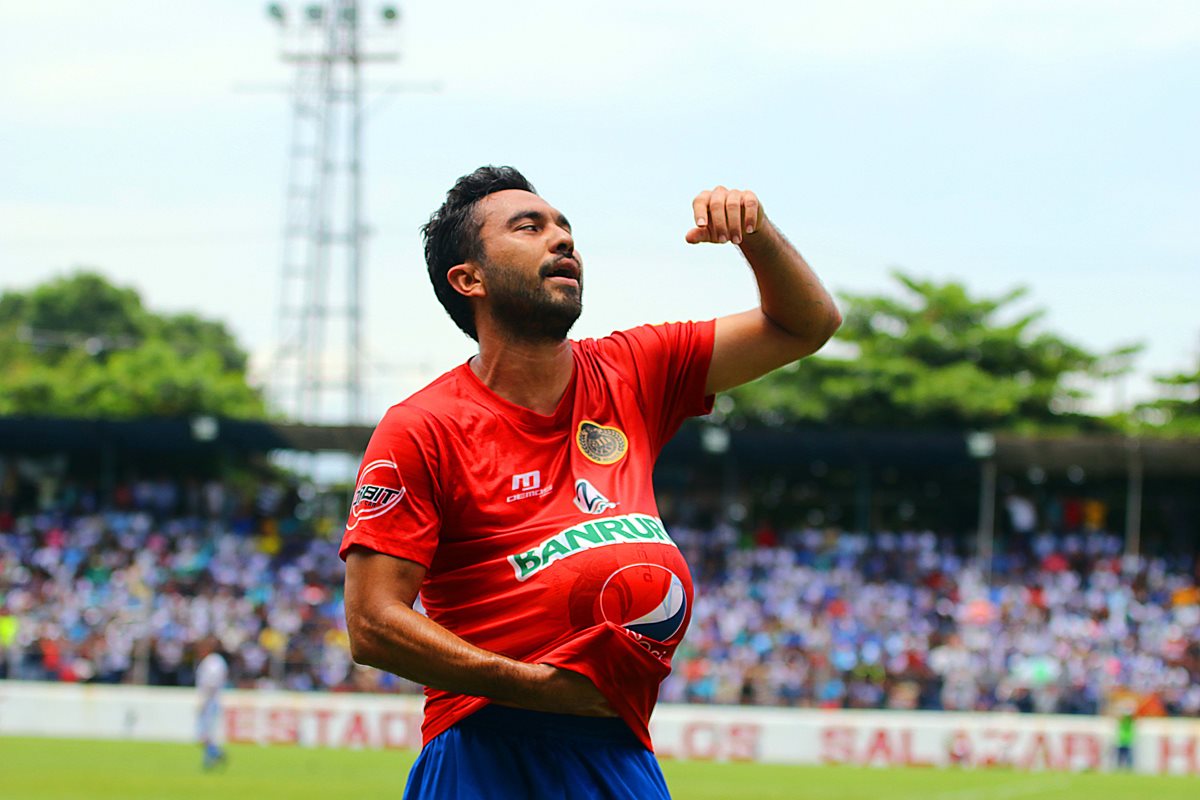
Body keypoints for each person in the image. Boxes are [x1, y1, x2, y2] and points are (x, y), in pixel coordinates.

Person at [341, 166, 840, 798]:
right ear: (470, 279)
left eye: (565, 227)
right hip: (485, 751)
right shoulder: (423, 427)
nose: (562, 240)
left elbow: (807, 324)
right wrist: (538, 689)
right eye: (529, 227)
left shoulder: (634, 368)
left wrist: (757, 233)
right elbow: (372, 622)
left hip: (617, 753)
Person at [194, 637, 228, 770]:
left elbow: (211, 684)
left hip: (210, 701)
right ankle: (211, 757)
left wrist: (204, 700)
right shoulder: (212, 661)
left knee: (205, 733)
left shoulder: (213, 662)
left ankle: (215, 755)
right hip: (210, 700)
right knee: (205, 734)